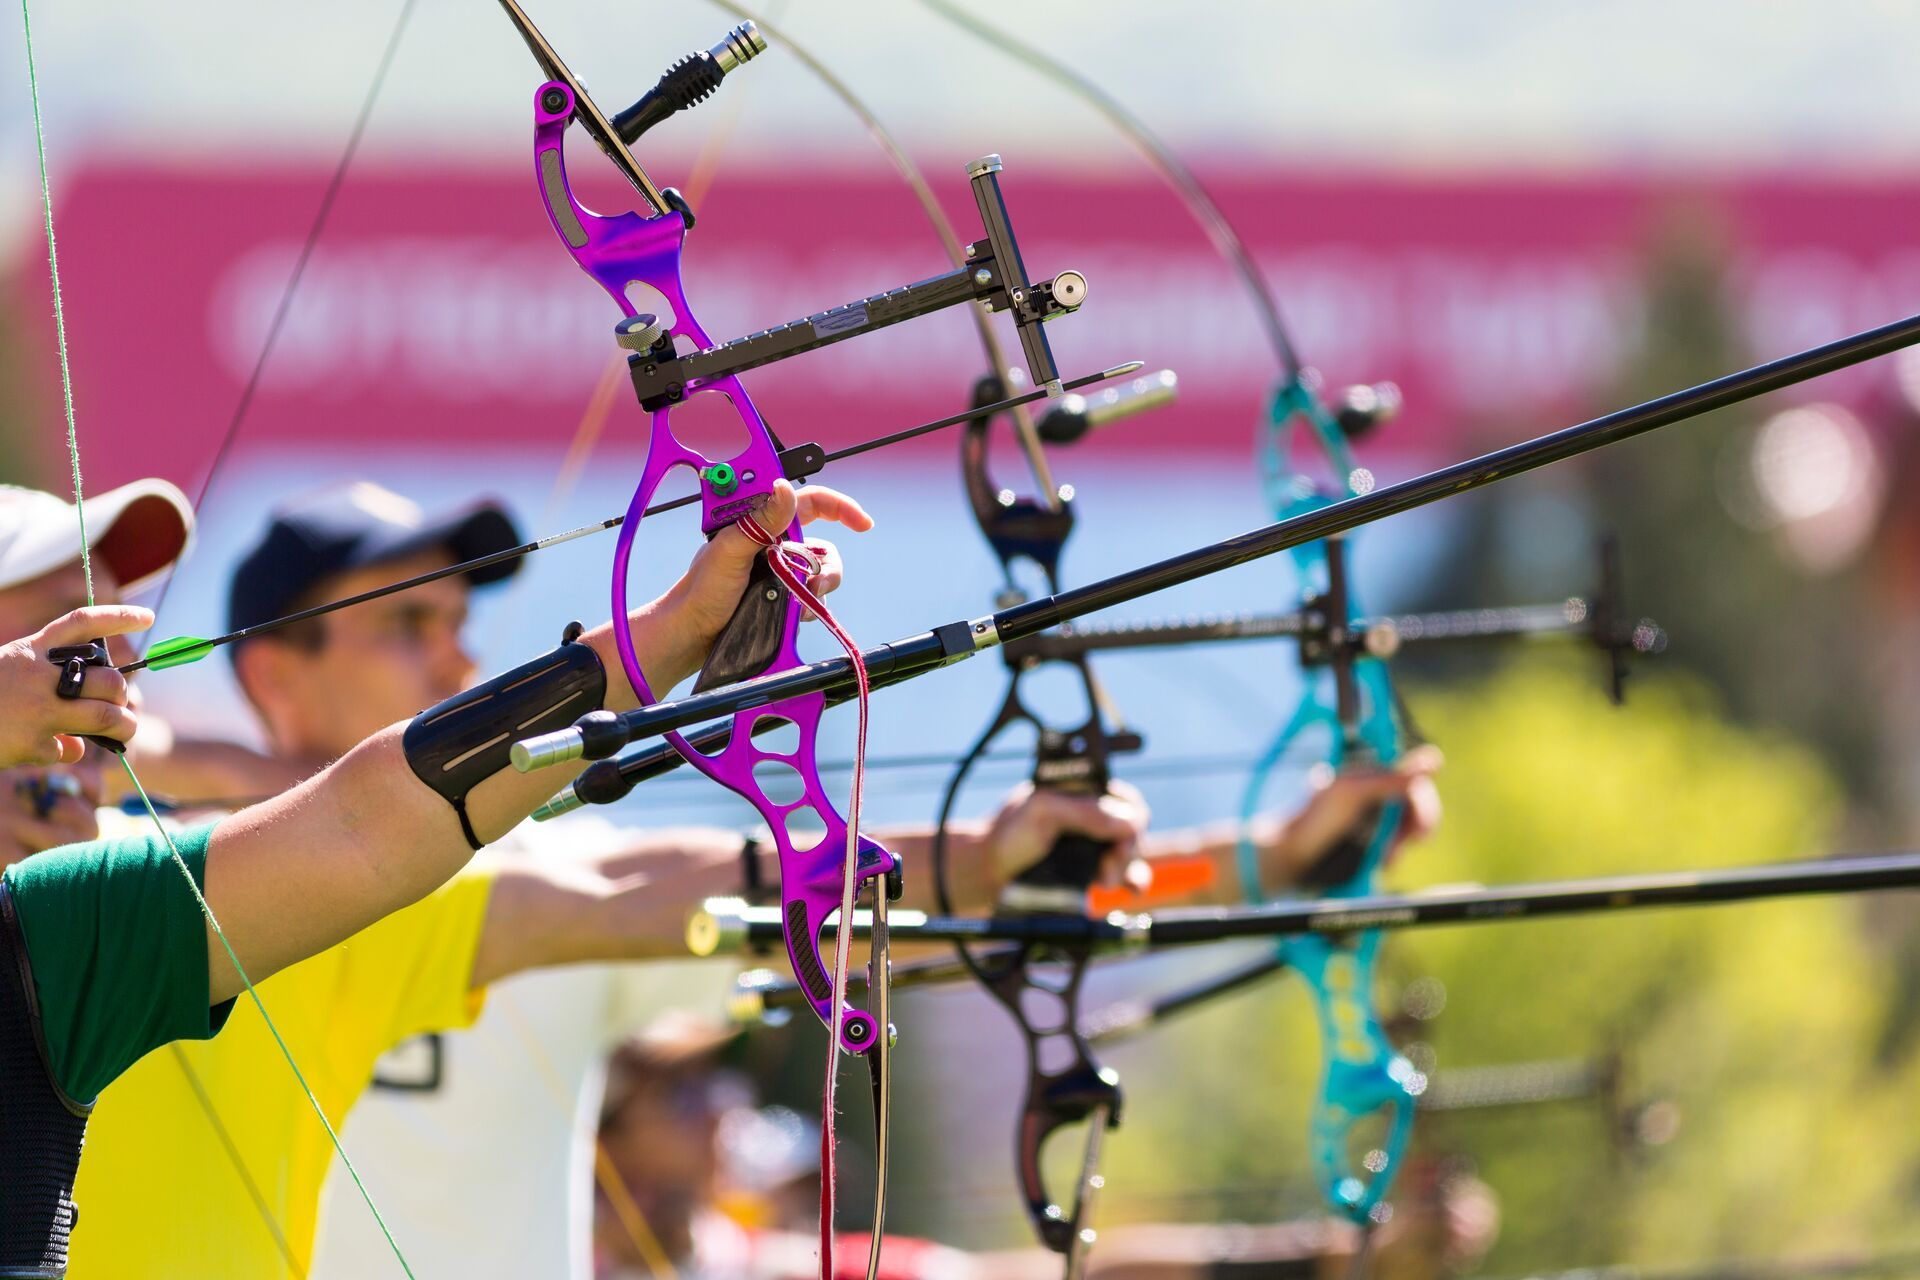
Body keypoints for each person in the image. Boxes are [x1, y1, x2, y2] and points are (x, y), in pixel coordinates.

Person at [46, 481, 1148, 1280]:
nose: (457, 660)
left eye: (459, 622)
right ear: (275, 667)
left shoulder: (484, 878)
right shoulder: (114, 882)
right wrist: (250, 775)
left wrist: (989, 852)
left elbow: (684, 879)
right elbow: (307, 808)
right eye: (406, 622)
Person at [593, 1005, 1494, 1280]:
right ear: (604, 1139)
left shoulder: (764, 1264)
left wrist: (1333, 1257)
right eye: (678, 1093)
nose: (722, 1104)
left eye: (717, 1078)